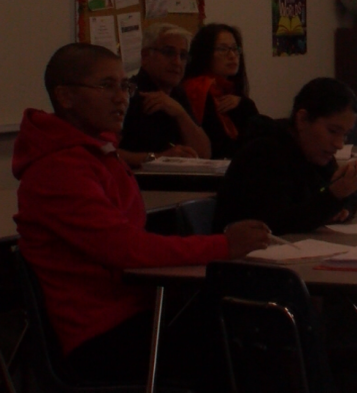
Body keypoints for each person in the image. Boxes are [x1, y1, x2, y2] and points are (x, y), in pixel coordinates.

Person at [13, 43, 271, 387]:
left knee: (259, 318)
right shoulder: (58, 169)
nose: (122, 98)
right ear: (65, 96)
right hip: (102, 334)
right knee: (251, 337)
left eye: (125, 86)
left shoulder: (100, 153)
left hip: (141, 311)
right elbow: (127, 249)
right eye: (106, 86)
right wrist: (224, 246)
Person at [215, 77, 357, 234]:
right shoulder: (264, 154)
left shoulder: (317, 154)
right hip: (243, 256)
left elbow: (338, 196)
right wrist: (334, 196)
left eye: (345, 135)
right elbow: (277, 224)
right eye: (333, 131)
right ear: (302, 119)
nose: (339, 144)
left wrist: (343, 206)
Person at [118, 22, 211, 167]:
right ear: (145, 56)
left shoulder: (177, 93)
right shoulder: (127, 92)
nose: (177, 62)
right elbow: (105, 152)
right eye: (169, 52)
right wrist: (158, 158)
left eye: (183, 55)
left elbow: (204, 154)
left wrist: (180, 114)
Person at [182, 23, 259, 159]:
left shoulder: (231, 90)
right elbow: (220, 144)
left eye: (235, 49)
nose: (232, 55)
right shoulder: (198, 88)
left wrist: (244, 103)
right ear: (205, 53)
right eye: (223, 49)